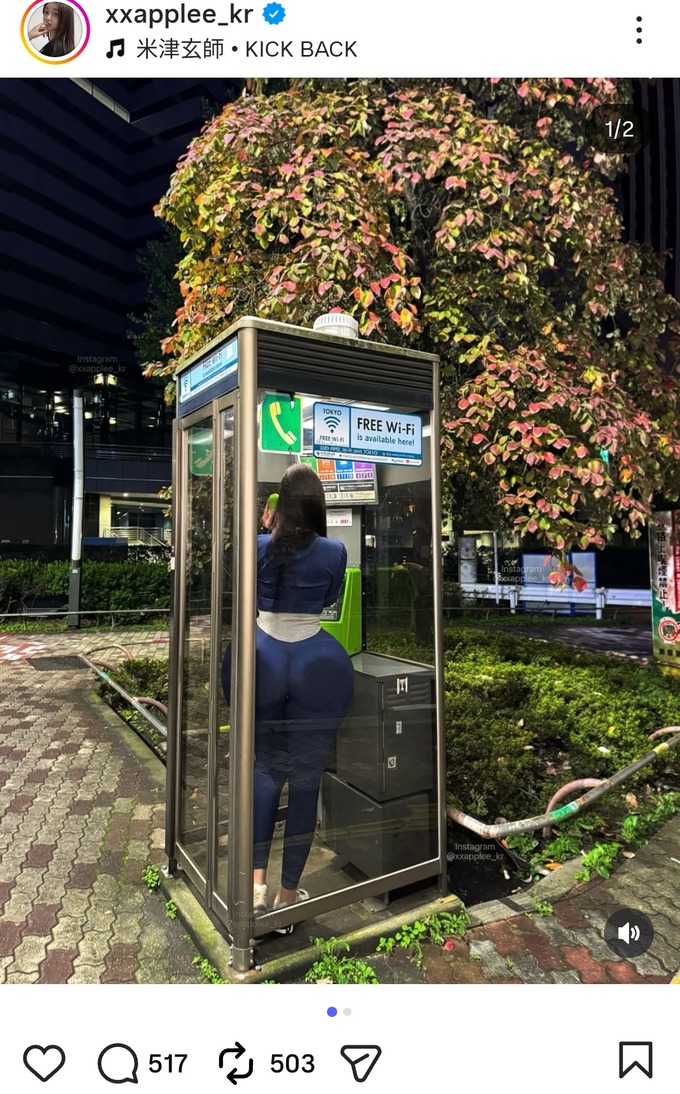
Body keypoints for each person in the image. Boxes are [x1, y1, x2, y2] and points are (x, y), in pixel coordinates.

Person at [221, 463, 354, 928]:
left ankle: (255, 888)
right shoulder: (334, 551)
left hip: (262, 655)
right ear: (317, 506)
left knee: (265, 770)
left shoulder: (257, 547)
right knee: (306, 776)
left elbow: (245, 588)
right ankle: (287, 894)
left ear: (279, 504)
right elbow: (331, 598)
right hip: (318, 661)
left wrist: (266, 532)